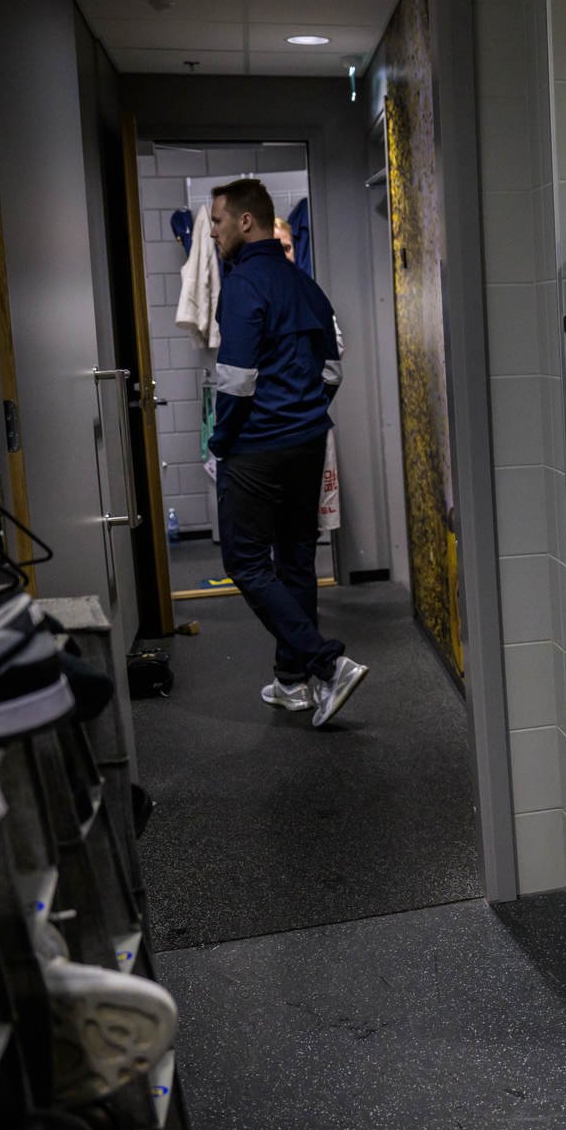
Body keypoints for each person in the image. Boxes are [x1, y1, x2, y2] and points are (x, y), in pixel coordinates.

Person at [208, 178, 367, 728]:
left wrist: (220, 443)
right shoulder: (305, 285)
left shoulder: (243, 284)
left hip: (257, 448)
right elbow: (332, 368)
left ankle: (327, 663)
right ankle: (292, 682)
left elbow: (235, 381)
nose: (213, 230)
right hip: (306, 443)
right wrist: (304, 410)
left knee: (245, 562)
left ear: (245, 221)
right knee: (296, 558)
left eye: (218, 221)